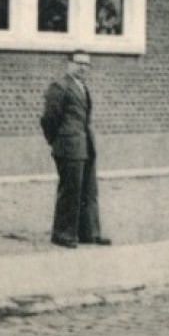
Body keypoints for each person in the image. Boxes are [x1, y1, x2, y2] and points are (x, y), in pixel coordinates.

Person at [39, 51, 110, 248]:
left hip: (85, 145)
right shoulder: (60, 87)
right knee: (70, 190)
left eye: (86, 64)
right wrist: (56, 141)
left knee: (89, 190)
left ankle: (89, 233)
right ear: (69, 64)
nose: (82, 67)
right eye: (78, 63)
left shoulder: (83, 88)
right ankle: (63, 234)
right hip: (68, 146)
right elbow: (49, 119)